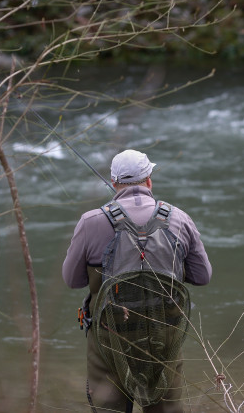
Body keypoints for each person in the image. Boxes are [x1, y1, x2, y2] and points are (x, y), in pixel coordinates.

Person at [63, 149, 212, 413]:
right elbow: (202, 277)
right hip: (164, 338)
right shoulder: (179, 219)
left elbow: (72, 280)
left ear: (114, 182)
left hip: (109, 338)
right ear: (149, 180)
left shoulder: (90, 222)